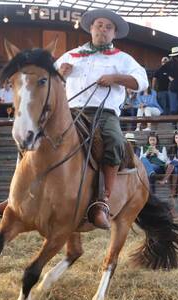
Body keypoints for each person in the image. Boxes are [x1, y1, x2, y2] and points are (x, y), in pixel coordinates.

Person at [52, 8, 148, 229]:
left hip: (104, 113)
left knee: (114, 141)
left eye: (108, 27)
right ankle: (16, 197)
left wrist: (116, 77)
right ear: (91, 29)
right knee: (34, 135)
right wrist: (59, 75)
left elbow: (141, 81)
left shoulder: (123, 58)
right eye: (99, 25)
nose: (103, 30)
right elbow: (48, 81)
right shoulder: (71, 55)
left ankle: (103, 201)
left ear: (114, 33)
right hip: (70, 111)